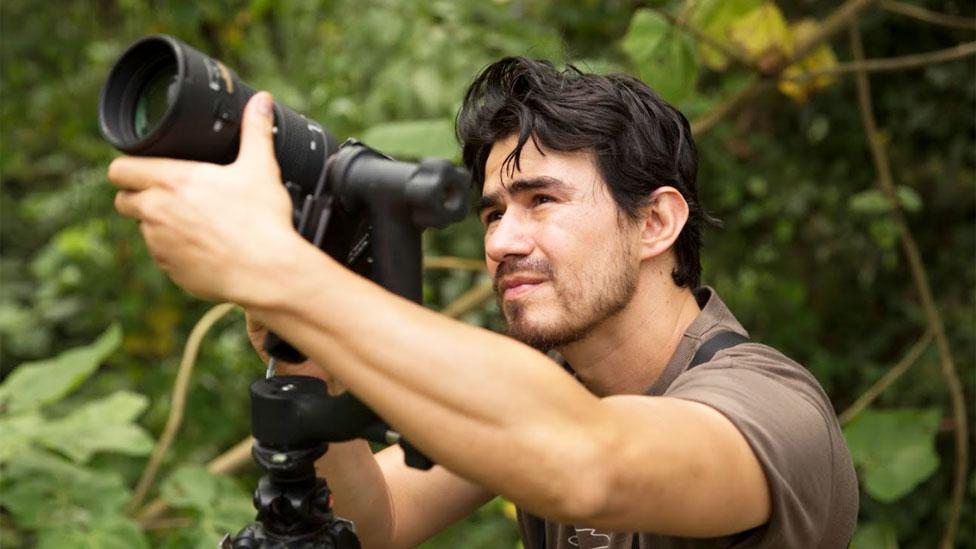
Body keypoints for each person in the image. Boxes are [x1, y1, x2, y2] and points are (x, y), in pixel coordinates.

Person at [109, 57, 858, 548]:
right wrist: (301, 341)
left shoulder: (770, 406)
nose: (501, 240)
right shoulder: (557, 385)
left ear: (656, 222)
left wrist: (280, 272)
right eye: (495, 211)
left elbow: (593, 461)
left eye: (541, 200)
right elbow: (375, 520)